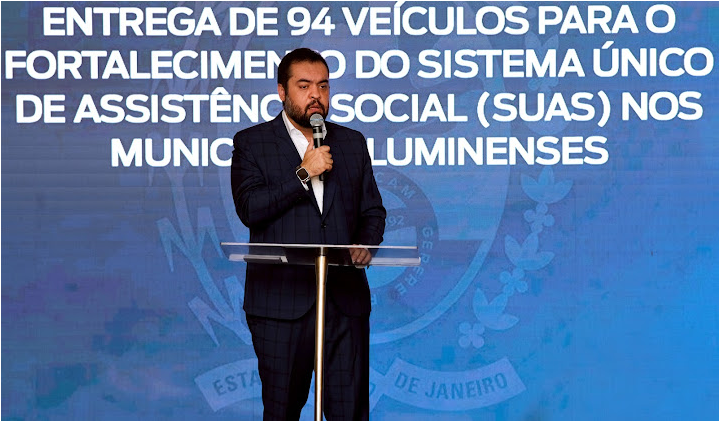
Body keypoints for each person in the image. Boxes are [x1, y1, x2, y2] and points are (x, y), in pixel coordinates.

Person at [231, 48, 386, 420]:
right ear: (282, 92)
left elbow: (373, 211)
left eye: (323, 86)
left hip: (343, 303)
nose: (316, 95)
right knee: (282, 411)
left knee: (349, 413)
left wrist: (365, 243)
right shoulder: (252, 143)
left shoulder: (351, 143)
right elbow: (250, 208)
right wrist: (303, 174)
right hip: (280, 304)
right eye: (304, 86)